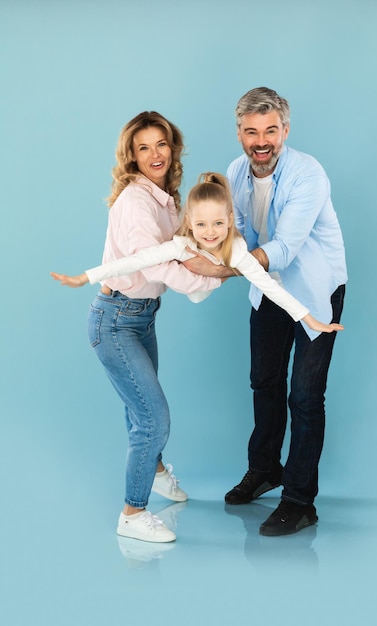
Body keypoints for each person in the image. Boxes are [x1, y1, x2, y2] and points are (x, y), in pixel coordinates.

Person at [182, 88, 348, 536]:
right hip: (267, 289)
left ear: (285, 131)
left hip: (315, 290)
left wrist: (217, 272)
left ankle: (299, 500)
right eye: (252, 131)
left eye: (270, 131)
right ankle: (265, 470)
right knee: (265, 382)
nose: (262, 141)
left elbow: (285, 248)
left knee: (306, 398)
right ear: (239, 133)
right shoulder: (235, 172)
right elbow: (229, 236)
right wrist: (189, 252)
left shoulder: (308, 174)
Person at [58, 111, 222, 544]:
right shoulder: (136, 201)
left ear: (173, 148)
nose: (155, 154)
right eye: (143, 147)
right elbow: (163, 265)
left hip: (141, 317)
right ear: (131, 155)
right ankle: (132, 513)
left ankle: (158, 471)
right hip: (115, 321)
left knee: (139, 409)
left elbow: (183, 247)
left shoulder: (163, 197)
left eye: (161, 145)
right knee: (153, 418)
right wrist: (214, 278)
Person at [51, 172, 344, 337]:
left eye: (218, 223)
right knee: (162, 252)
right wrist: (85, 277)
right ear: (190, 222)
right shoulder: (183, 243)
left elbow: (269, 287)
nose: (211, 232)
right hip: (187, 270)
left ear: (230, 221)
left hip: (209, 281)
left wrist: (310, 319)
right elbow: (135, 260)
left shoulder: (237, 250)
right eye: (202, 224)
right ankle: (190, 248)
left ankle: (215, 260)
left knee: (237, 267)